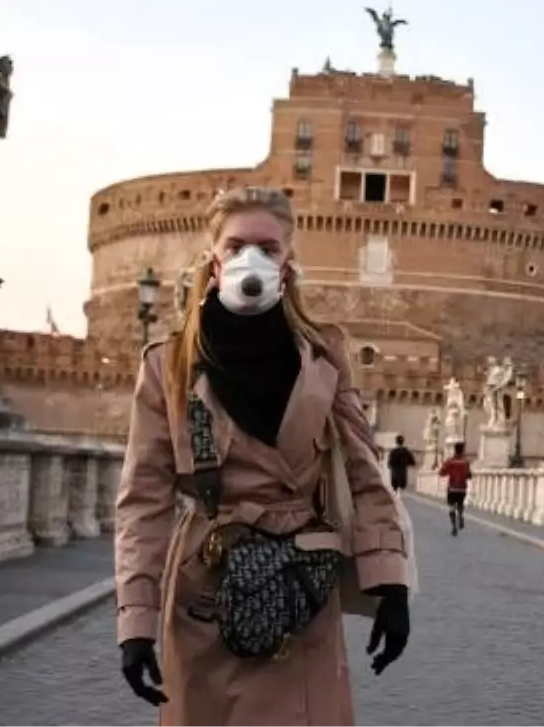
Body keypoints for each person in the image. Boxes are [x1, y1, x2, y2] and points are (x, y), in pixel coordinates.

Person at [114, 187, 411, 727]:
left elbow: (365, 471)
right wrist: (136, 621)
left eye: (268, 248)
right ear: (215, 257)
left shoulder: (324, 355)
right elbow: (143, 499)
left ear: (288, 260)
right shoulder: (169, 365)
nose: (252, 259)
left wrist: (390, 581)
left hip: (300, 590)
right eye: (237, 245)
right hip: (207, 588)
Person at [438, 441, 471, 536]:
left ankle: (453, 526)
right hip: (462, 487)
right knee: (460, 504)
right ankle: (460, 515)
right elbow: (469, 475)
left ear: (454, 450)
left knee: (451, 507)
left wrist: (449, 472)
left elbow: (441, 473)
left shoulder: (450, 461)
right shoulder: (465, 462)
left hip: (452, 488)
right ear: (462, 450)